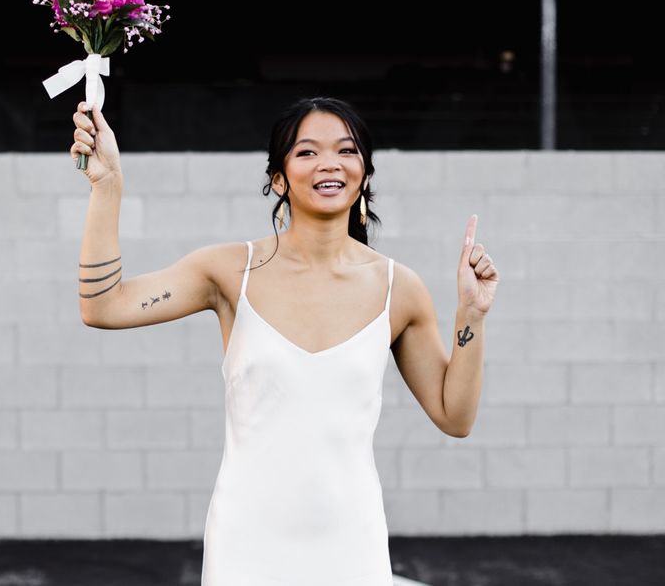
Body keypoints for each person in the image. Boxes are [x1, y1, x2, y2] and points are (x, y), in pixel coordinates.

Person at [70, 96, 500, 586]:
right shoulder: (231, 271)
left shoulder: (398, 289)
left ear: (364, 173)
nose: (329, 163)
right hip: (246, 546)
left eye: (346, 150)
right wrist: (108, 187)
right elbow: (102, 306)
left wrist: (472, 314)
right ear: (278, 178)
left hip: (351, 545)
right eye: (307, 152)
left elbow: (456, 416)